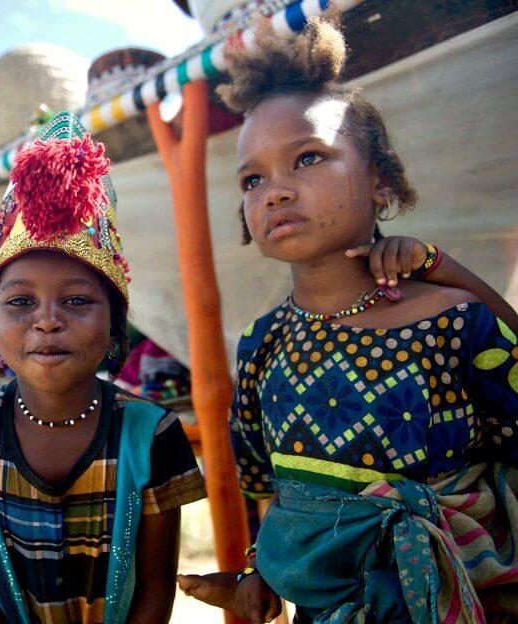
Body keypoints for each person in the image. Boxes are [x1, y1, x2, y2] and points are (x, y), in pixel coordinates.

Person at [177, 15, 518, 624]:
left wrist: (448, 268)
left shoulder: (453, 319)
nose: (275, 191)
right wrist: (260, 572)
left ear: (380, 181)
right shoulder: (263, 344)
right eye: (252, 179)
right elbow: (278, 490)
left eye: (308, 158)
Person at [0, 111, 207, 624]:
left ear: (116, 326)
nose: (47, 321)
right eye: (20, 303)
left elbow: (158, 586)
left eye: (75, 301)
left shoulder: (152, 433)